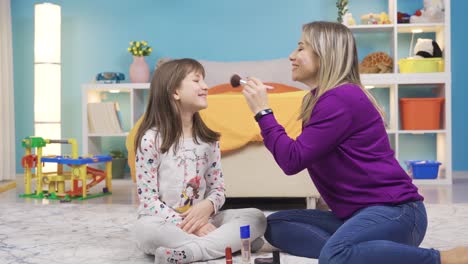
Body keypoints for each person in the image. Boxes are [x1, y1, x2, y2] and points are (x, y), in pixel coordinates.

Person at [241, 21, 468, 264]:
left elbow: (292, 159)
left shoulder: (341, 98)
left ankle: (441, 259)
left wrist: (263, 113)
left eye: (301, 48)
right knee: (274, 224)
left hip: (397, 213)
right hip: (355, 216)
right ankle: (367, 251)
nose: (291, 56)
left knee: (334, 256)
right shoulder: (319, 99)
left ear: (325, 54)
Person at [133, 58, 266, 264]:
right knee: (146, 231)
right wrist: (189, 223)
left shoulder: (208, 140)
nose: (205, 86)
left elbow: (218, 190)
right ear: (174, 92)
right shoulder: (150, 140)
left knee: (256, 217)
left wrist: (208, 206)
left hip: (207, 219)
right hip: (164, 221)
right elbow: (149, 201)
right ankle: (232, 243)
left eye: (204, 81)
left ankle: (194, 252)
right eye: (196, 81)